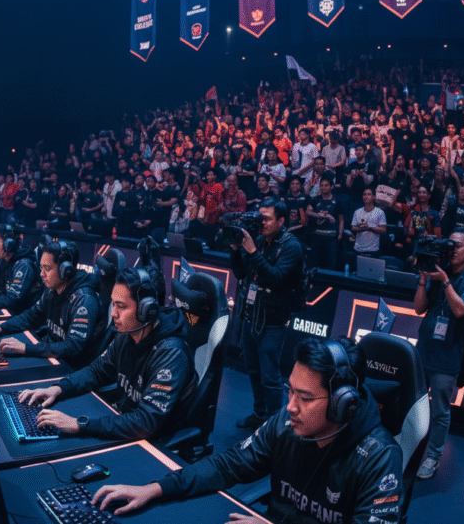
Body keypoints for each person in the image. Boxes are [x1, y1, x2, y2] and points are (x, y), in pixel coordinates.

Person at [91, 337, 405, 524]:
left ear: (342, 404)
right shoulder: (286, 423)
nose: (290, 407)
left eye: (305, 398)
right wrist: (155, 488)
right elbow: (227, 465)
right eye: (290, 391)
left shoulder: (379, 457)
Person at [18, 267, 196, 440]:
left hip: (154, 444)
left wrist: (79, 424)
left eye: (121, 306)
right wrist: (58, 389)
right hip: (125, 422)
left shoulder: (172, 354)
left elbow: (145, 422)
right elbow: (96, 371)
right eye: (113, 304)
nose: (113, 314)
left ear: (146, 310)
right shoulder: (127, 335)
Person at [0, 241, 109, 370]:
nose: (42, 274)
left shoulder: (85, 300)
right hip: (51, 356)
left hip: (67, 368)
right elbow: (31, 316)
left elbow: (72, 347)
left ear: (66, 271)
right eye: (41, 267)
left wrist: (26, 348)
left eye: (47, 268)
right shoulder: (52, 290)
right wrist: (2, 328)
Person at [413, 227, 464, 479]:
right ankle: (410, 448)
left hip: (448, 356)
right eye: (449, 245)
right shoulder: (438, 269)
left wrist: (444, 281)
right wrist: (423, 279)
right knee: (414, 405)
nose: (452, 250)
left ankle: (433, 457)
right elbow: (419, 308)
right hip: (424, 351)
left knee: (440, 412)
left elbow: (461, 310)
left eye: (458, 246)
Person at [231, 198, 306, 429]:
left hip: (273, 320)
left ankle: (275, 426)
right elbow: (241, 273)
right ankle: (259, 413)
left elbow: (275, 277)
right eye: (259, 218)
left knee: (271, 377)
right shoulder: (260, 241)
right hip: (250, 315)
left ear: (281, 221)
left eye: (266, 218)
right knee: (253, 370)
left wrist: (253, 251)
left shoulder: (291, 246)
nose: (261, 223)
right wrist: (236, 251)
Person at [351, 187, 386, 258]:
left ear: (373, 197)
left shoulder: (380, 212)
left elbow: (383, 230)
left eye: (369, 194)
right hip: (358, 249)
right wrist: (361, 229)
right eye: (364, 194)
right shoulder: (357, 212)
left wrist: (370, 228)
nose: (366, 196)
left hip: (372, 250)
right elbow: (353, 228)